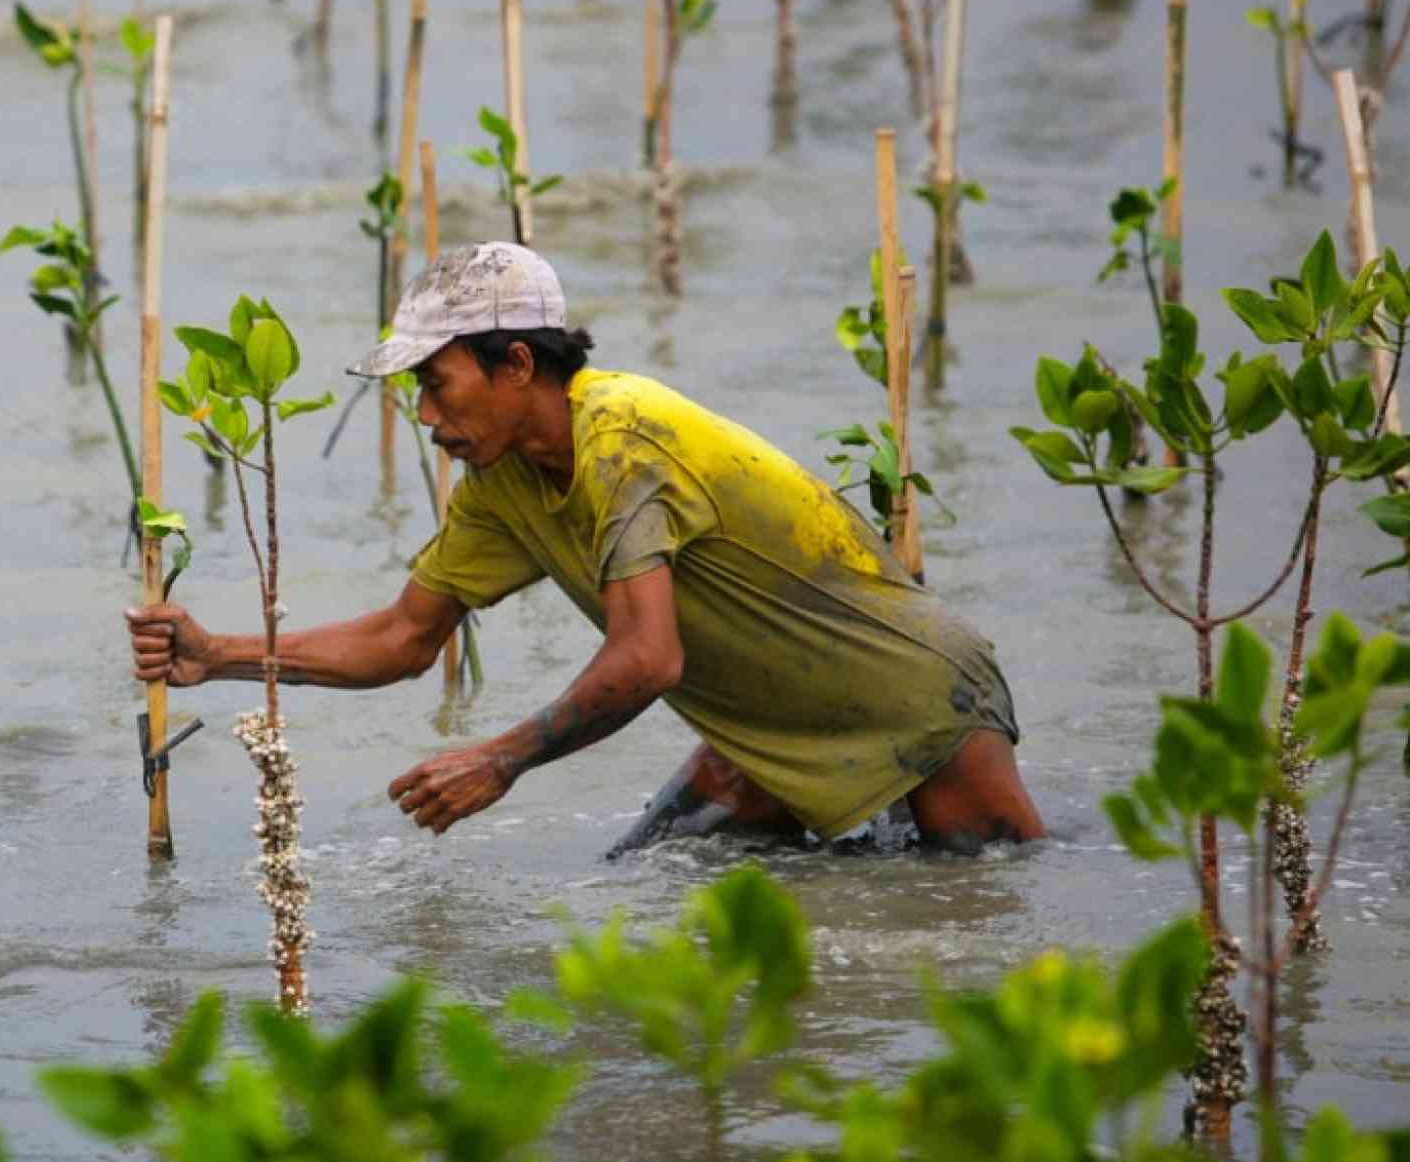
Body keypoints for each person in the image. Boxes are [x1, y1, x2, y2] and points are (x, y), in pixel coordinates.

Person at [124, 242, 1044, 853]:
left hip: (919, 707)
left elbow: (647, 658)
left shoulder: (624, 440)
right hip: (766, 740)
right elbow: (404, 639)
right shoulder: (503, 485)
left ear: (517, 365)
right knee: (646, 881)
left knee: (980, 940)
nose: (429, 418)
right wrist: (221, 656)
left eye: (438, 385)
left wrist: (501, 758)